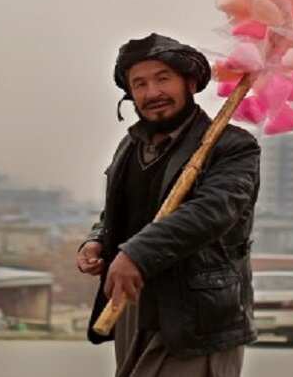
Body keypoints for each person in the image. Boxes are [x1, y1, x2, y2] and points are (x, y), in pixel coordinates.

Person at [77, 34, 261, 377]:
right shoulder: (131, 147)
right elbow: (121, 211)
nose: (152, 93)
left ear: (189, 83)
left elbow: (211, 213)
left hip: (197, 314)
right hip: (134, 306)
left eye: (163, 79)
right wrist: (98, 239)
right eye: (140, 84)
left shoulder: (233, 147)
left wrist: (136, 254)